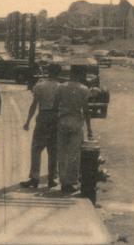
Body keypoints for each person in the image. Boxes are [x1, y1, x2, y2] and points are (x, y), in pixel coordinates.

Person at [20, 64, 61, 189]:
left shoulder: (40, 86)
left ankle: (35, 178)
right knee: (53, 150)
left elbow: (34, 105)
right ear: (59, 73)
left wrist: (27, 121)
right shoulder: (61, 87)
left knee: (36, 149)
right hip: (56, 117)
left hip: (43, 116)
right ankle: (51, 178)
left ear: (48, 72)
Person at [54, 64, 93, 194]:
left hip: (62, 121)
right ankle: (71, 182)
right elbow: (86, 110)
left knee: (62, 152)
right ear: (81, 74)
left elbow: (55, 105)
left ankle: (63, 181)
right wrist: (89, 128)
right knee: (74, 154)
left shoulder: (60, 87)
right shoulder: (84, 89)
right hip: (76, 122)